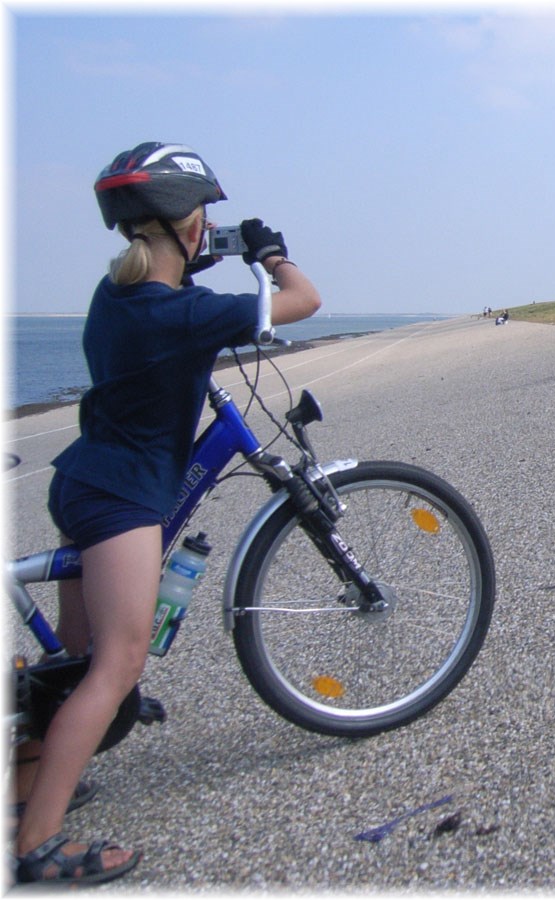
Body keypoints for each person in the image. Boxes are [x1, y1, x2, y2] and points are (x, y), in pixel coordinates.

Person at [12, 142, 321, 886]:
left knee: (77, 663)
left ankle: (32, 783)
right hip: (123, 498)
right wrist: (272, 254)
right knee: (118, 667)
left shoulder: (116, 296)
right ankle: (37, 846)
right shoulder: (183, 313)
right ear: (187, 225)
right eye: (204, 219)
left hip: (82, 479)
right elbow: (306, 301)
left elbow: (154, 340)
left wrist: (192, 265)